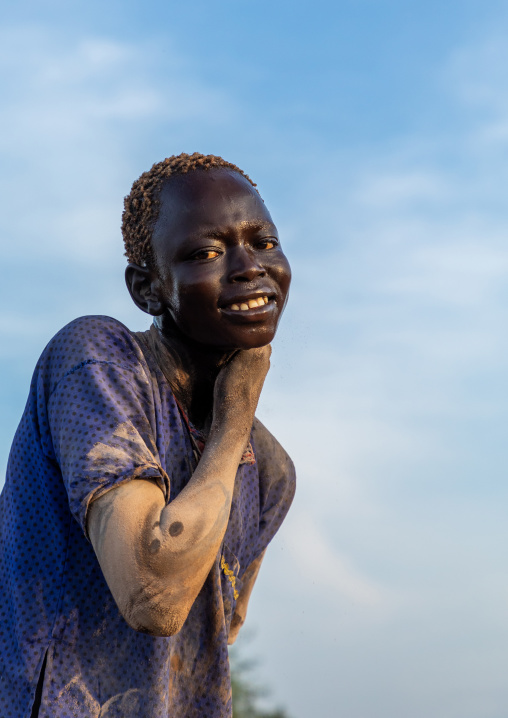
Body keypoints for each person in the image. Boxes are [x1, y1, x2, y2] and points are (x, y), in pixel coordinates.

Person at [0, 152, 296, 718]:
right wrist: (234, 421)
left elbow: (214, 628)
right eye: (206, 253)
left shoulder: (272, 471)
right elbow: (155, 597)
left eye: (264, 243)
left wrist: (235, 429)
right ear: (148, 288)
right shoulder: (97, 363)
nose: (249, 267)